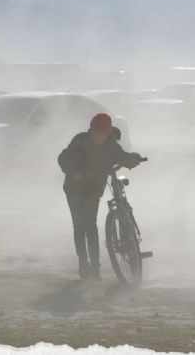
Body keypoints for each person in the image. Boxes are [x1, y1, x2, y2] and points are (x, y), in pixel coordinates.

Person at [57, 113, 143, 281]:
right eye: (95, 132)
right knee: (79, 226)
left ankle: (95, 268)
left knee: (90, 225)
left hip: (93, 190)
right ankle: (83, 263)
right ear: (90, 130)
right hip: (74, 188)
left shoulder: (112, 146)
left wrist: (134, 158)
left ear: (108, 133)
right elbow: (63, 157)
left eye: (101, 134)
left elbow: (122, 156)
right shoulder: (80, 141)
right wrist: (74, 172)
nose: (97, 137)